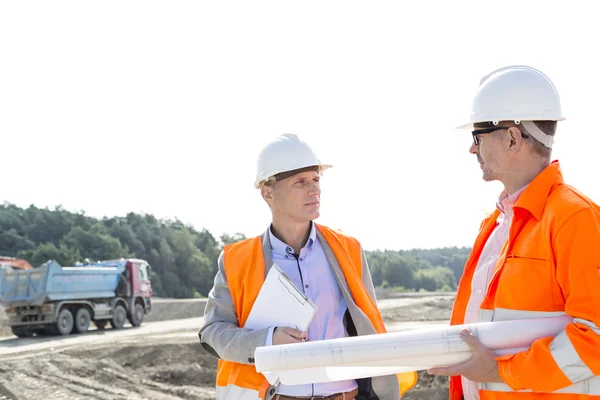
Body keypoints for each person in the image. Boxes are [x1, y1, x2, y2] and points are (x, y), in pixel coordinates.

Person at [198, 133, 417, 400]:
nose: (314, 190)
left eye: (315, 179)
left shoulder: (348, 249)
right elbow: (213, 331)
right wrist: (268, 341)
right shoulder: (237, 260)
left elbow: (366, 326)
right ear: (268, 193)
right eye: (300, 182)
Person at [427, 65, 600, 399]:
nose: (472, 149)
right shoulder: (495, 225)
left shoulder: (574, 218)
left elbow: (595, 336)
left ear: (511, 138)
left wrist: (499, 372)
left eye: (477, 137)